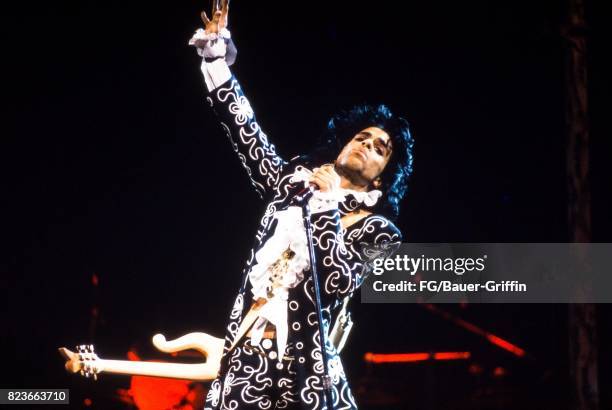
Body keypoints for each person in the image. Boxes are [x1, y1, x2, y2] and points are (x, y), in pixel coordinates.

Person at [189, 3, 414, 409]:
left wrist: (325, 206)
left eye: (380, 149)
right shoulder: (292, 185)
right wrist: (218, 59)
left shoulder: (379, 230)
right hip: (246, 356)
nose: (366, 145)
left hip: (304, 372)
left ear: (381, 176)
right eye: (362, 137)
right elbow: (247, 135)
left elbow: (338, 282)